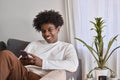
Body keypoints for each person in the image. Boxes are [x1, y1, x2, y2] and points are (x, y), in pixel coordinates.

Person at [0, 10, 78, 80]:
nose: (46, 34)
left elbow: (73, 65)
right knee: (6, 54)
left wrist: (42, 63)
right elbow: (18, 62)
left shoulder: (67, 47)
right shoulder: (34, 44)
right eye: (43, 31)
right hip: (23, 73)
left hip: (40, 77)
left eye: (50, 30)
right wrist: (24, 61)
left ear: (58, 29)